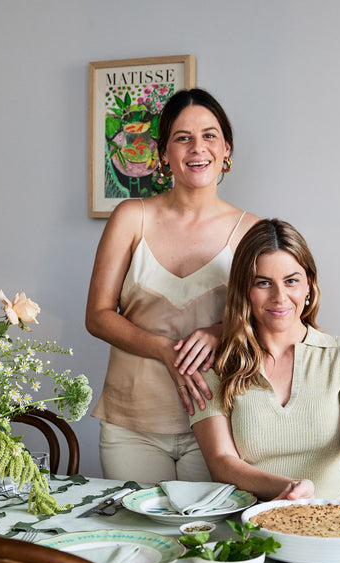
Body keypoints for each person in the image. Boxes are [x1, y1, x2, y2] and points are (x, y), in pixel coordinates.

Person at [189, 218, 340, 545]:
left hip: (332, 526)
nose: (280, 297)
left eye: (291, 281)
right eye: (263, 283)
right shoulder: (217, 363)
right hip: (247, 529)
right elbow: (221, 463)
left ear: (309, 284)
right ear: (244, 291)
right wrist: (287, 489)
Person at [86, 88, 259, 483]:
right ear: (164, 153)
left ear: (226, 148)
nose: (197, 148)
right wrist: (164, 350)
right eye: (183, 138)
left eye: (209, 135)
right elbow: (97, 316)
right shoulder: (131, 217)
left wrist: (220, 332)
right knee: (138, 542)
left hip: (219, 423)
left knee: (208, 543)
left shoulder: (251, 230)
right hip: (132, 423)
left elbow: (270, 319)